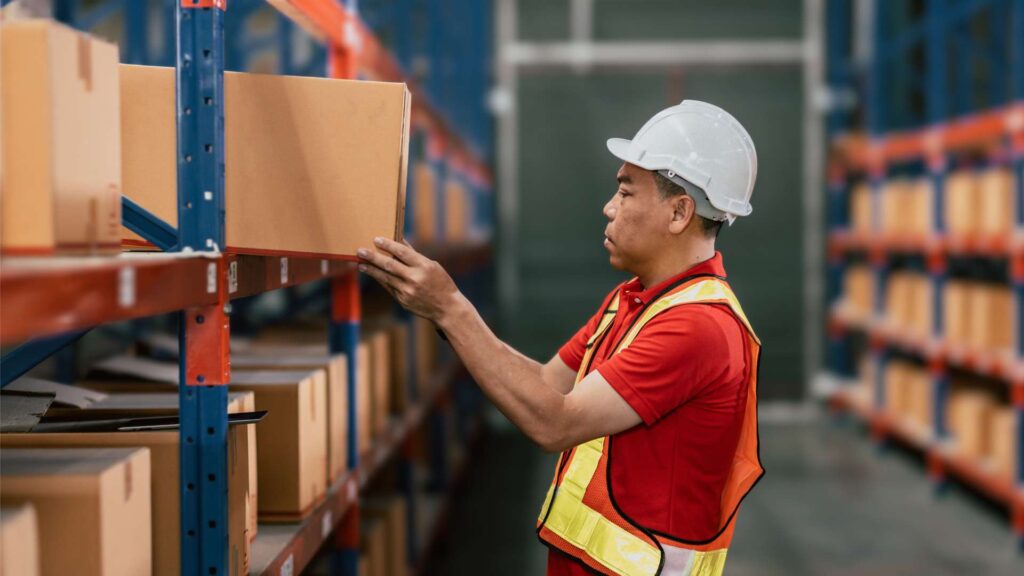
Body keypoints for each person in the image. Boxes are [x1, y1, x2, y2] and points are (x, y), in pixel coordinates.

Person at [357, 100, 763, 576]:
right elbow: (548, 383)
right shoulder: (633, 300)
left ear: (679, 212)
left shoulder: (697, 327)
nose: (609, 207)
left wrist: (450, 307)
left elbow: (554, 422)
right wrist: (444, 312)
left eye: (627, 193)